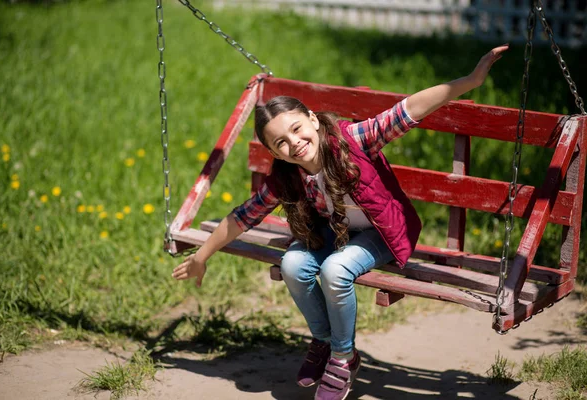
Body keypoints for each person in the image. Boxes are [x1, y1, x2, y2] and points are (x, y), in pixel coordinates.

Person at [173, 45, 508, 400]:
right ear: (273, 152)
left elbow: (408, 110)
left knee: (335, 270)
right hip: (337, 234)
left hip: (381, 234)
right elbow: (243, 217)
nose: (295, 144)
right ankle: (324, 341)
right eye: (281, 143)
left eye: (298, 129)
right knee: (292, 263)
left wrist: (470, 81)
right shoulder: (286, 177)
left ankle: (343, 357)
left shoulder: (354, 141)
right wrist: (202, 256)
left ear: (313, 120)